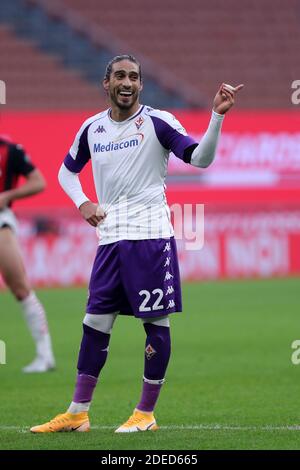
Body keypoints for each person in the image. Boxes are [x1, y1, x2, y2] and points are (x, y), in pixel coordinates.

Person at [30, 55, 243, 433]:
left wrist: (217, 116)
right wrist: (83, 202)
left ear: (141, 85)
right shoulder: (91, 128)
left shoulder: (158, 123)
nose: (126, 82)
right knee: (94, 322)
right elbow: (66, 172)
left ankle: (145, 414)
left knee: (154, 321)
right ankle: (78, 413)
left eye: (133, 77)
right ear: (106, 83)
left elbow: (201, 159)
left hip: (150, 239)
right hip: (109, 241)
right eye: (119, 76)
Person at [0, 134, 55, 373]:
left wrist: (8, 196)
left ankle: (45, 355)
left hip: (1, 222)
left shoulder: (9, 149)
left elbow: (38, 181)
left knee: (20, 287)